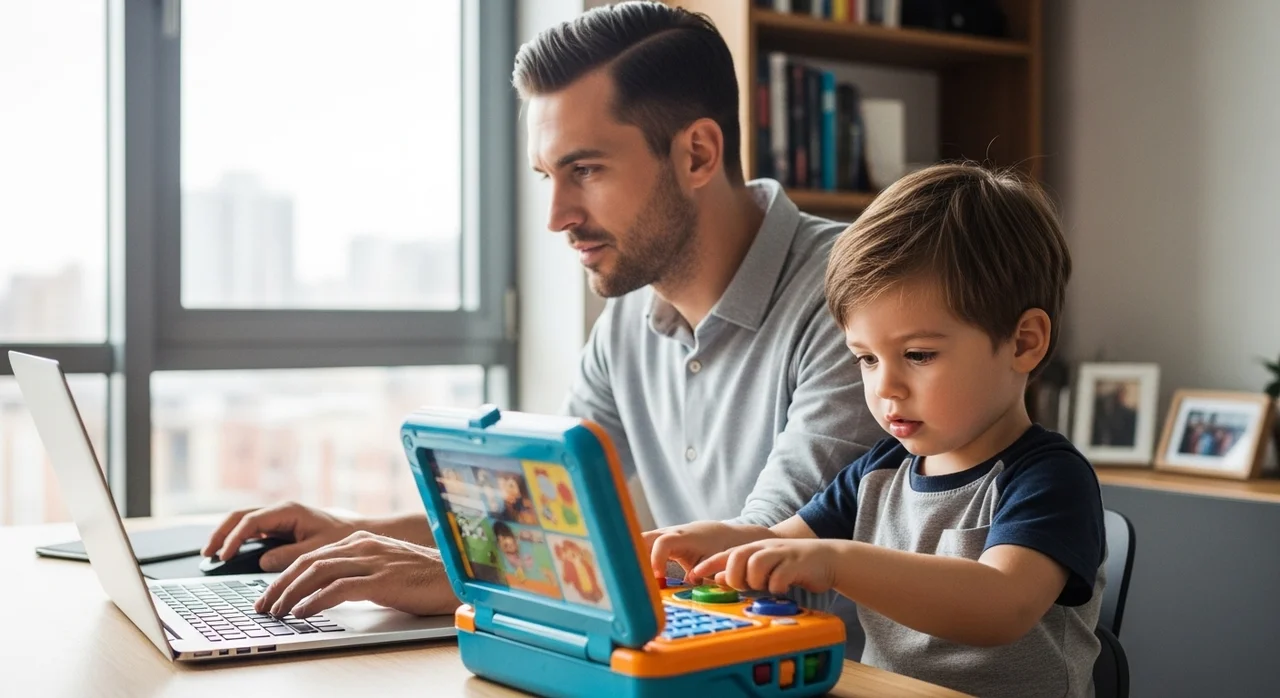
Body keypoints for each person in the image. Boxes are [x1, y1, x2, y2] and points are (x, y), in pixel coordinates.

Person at [201, 1, 882, 621]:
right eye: (547, 176)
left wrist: (464, 576)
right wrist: (357, 533)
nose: (557, 217)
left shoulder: (853, 295)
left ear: (697, 154)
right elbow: (542, 509)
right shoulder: (628, 318)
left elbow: (759, 556)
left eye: (585, 170)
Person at [646, 163, 1106, 698]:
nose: (885, 386)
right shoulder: (879, 471)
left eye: (918, 355)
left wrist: (836, 562)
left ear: (1024, 343)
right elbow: (783, 541)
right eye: (866, 358)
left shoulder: (1050, 479)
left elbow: (1002, 604)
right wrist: (719, 540)